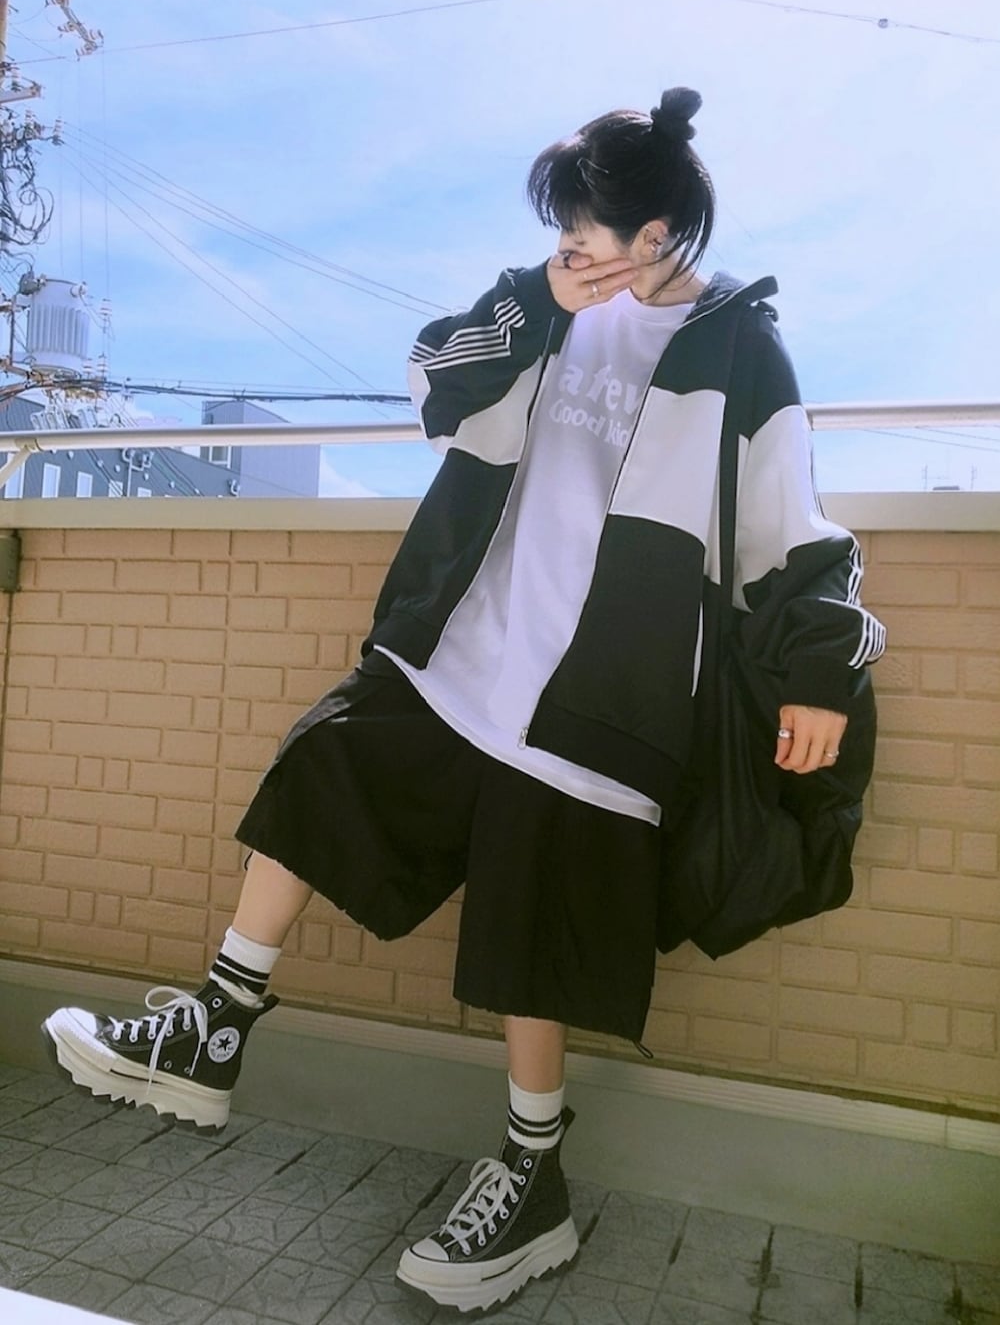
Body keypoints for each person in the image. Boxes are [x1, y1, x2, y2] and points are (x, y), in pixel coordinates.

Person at [42, 87, 885, 1314]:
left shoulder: (740, 353)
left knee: (533, 935)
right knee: (327, 765)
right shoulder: (538, 303)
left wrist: (820, 673)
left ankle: (532, 1177)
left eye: (588, 226)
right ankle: (213, 1027)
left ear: (657, 232)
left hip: (608, 698)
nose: (570, 243)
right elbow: (433, 385)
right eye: (562, 226)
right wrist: (540, 301)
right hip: (463, 655)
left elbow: (790, 526)